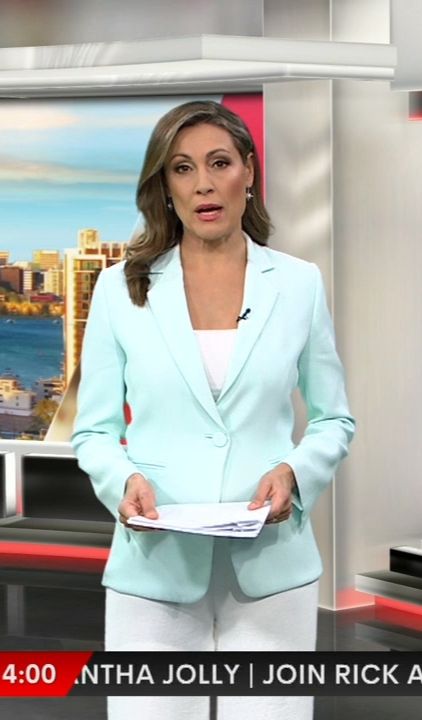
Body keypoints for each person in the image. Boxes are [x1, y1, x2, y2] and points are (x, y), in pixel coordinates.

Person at [71, 100, 355, 720]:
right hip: (155, 566)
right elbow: (94, 431)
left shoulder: (299, 284)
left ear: (248, 171)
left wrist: (295, 474)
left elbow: (334, 418)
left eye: (219, 163)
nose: (203, 183)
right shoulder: (120, 289)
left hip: (271, 569)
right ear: (165, 186)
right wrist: (123, 482)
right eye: (182, 168)